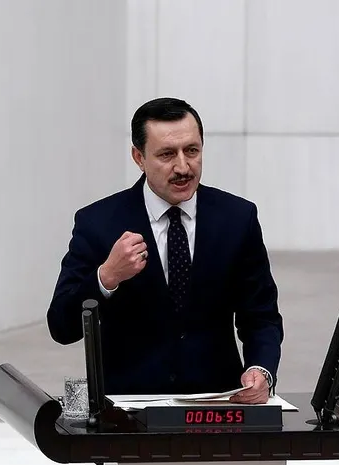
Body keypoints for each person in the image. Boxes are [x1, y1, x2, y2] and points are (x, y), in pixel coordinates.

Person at [47, 97, 283, 405]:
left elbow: (261, 316)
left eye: (192, 151)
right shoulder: (98, 223)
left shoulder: (238, 218)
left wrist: (261, 370)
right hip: (128, 410)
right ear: (139, 157)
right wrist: (107, 277)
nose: (183, 167)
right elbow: (62, 326)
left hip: (216, 405)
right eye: (167, 154)